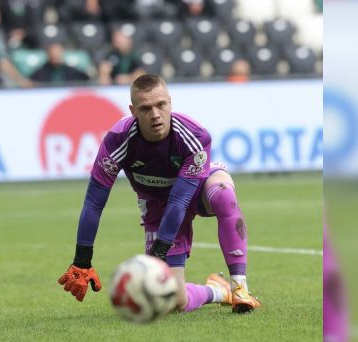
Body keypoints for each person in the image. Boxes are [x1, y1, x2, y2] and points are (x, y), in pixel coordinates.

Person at [57, 74, 261, 314]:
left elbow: (180, 200)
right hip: (158, 204)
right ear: (133, 111)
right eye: (145, 108)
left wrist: (160, 249)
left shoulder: (195, 136)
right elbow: (94, 202)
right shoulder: (118, 140)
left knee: (224, 195)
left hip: (195, 189)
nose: (155, 114)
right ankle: (218, 291)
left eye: (160, 105)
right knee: (173, 301)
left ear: (170, 103)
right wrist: (82, 259)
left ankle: (240, 287)